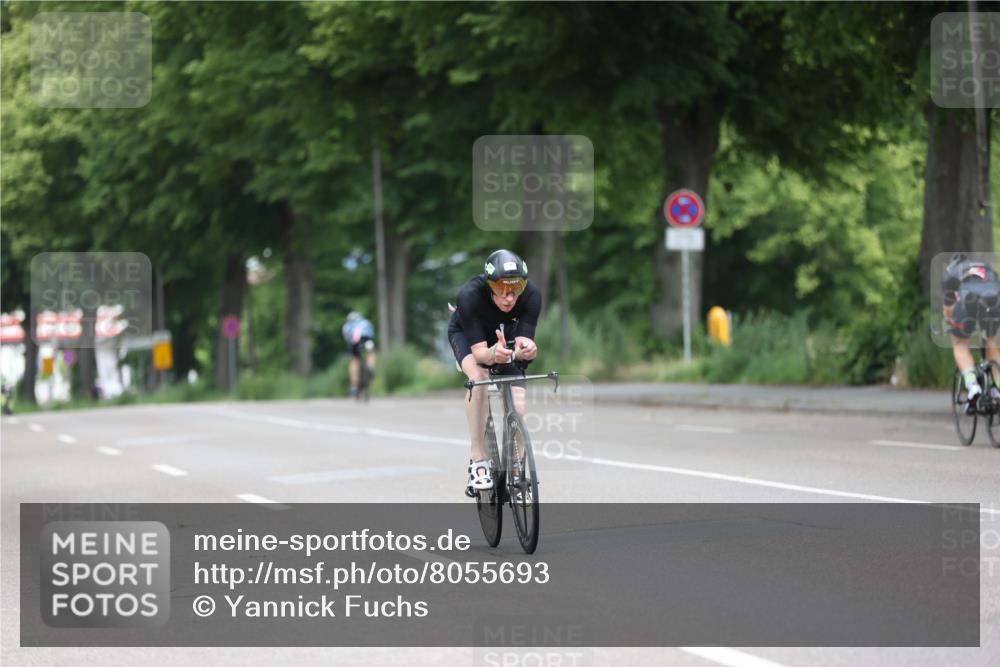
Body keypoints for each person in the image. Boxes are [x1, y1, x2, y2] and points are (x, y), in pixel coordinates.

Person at [448, 249, 541, 491]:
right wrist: (493, 355)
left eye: (516, 288)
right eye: (501, 289)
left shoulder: (531, 296)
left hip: (503, 337)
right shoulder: (470, 295)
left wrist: (526, 348)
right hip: (469, 337)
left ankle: (517, 472)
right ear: (490, 285)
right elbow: (480, 354)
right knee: (479, 378)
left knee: (518, 408)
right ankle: (478, 460)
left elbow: (522, 342)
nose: (509, 297)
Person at [942, 253, 1000, 411]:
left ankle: (973, 387)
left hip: (969, 298)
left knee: (960, 343)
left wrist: (951, 322)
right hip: (994, 297)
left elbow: (948, 310)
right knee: (989, 340)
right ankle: (997, 388)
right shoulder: (985, 267)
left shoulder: (950, 274)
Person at [342, 311, 376, 397]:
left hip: (354, 343)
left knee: (354, 361)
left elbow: (347, 339)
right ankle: (371, 366)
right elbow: (372, 333)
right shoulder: (366, 322)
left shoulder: (347, 325)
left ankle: (354, 386)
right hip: (367, 340)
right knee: (371, 353)